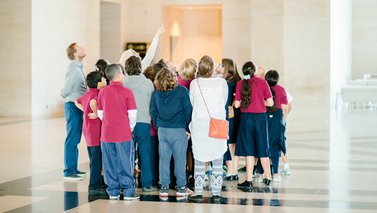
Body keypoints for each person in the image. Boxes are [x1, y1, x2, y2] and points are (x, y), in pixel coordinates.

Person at [188, 55, 228, 202]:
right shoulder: (221, 83)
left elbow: (192, 102)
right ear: (212, 69)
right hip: (217, 123)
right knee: (217, 158)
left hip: (200, 125)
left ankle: (198, 191)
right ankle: (216, 193)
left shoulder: (194, 84)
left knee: (199, 157)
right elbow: (224, 101)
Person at [97, 64, 139, 200]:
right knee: (125, 161)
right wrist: (130, 127)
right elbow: (132, 114)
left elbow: (100, 113)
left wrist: (110, 122)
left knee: (109, 163)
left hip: (106, 134)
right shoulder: (127, 92)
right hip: (123, 134)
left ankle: (113, 192)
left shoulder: (102, 92)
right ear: (120, 74)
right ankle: (128, 192)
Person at [150, 68, 193, 199]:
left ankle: (164, 188)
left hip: (162, 130)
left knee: (164, 160)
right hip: (179, 130)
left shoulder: (156, 93)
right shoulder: (182, 91)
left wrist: (158, 125)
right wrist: (187, 128)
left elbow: (153, 111)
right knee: (180, 160)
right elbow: (188, 111)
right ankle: (181, 188)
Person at [233, 61, 274, 189]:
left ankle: (249, 180)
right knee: (263, 148)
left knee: (249, 150)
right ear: (255, 71)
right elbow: (270, 103)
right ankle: (268, 177)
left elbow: (237, 105)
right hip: (261, 118)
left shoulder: (240, 83)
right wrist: (260, 103)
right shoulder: (263, 82)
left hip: (246, 119)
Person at [124, 56, 157, 192]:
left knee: (128, 154)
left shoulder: (124, 83)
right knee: (145, 154)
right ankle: (147, 184)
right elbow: (152, 102)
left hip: (127, 124)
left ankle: (127, 182)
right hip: (144, 121)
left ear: (126, 68)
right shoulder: (148, 83)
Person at [75, 71, 107, 195]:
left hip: (88, 131)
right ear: (99, 83)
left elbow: (76, 102)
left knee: (94, 158)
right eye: (103, 79)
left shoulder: (87, 93)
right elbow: (93, 103)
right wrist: (95, 112)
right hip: (96, 132)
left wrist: (85, 110)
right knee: (96, 160)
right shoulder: (98, 94)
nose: (105, 81)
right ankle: (94, 185)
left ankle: (97, 182)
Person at [61, 43, 87, 180]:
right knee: (72, 138)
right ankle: (69, 171)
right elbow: (66, 89)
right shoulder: (73, 67)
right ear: (76, 53)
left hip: (77, 106)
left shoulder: (78, 67)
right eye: (80, 47)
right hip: (73, 106)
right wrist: (62, 93)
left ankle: (73, 168)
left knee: (75, 138)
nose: (83, 48)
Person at [265, 70, 288, 182]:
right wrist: (283, 123)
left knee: (263, 145)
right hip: (277, 119)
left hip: (264, 117)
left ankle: (262, 173)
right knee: (275, 147)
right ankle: (275, 173)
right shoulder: (282, 90)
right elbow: (284, 108)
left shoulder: (264, 88)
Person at [221, 58, 241, 181]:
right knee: (233, 143)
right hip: (237, 115)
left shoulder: (224, 82)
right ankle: (234, 170)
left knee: (228, 144)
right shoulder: (239, 81)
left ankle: (230, 170)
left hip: (227, 115)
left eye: (221, 65)